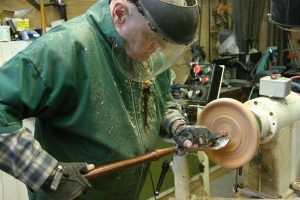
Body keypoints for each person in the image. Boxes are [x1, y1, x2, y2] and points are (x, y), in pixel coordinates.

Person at [0, 0, 215, 199]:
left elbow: (159, 100)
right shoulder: (63, 48)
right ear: (120, 13)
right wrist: (46, 173)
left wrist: (178, 127)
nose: (160, 50)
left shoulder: (146, 50)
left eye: (167, 44)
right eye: (155, 39)